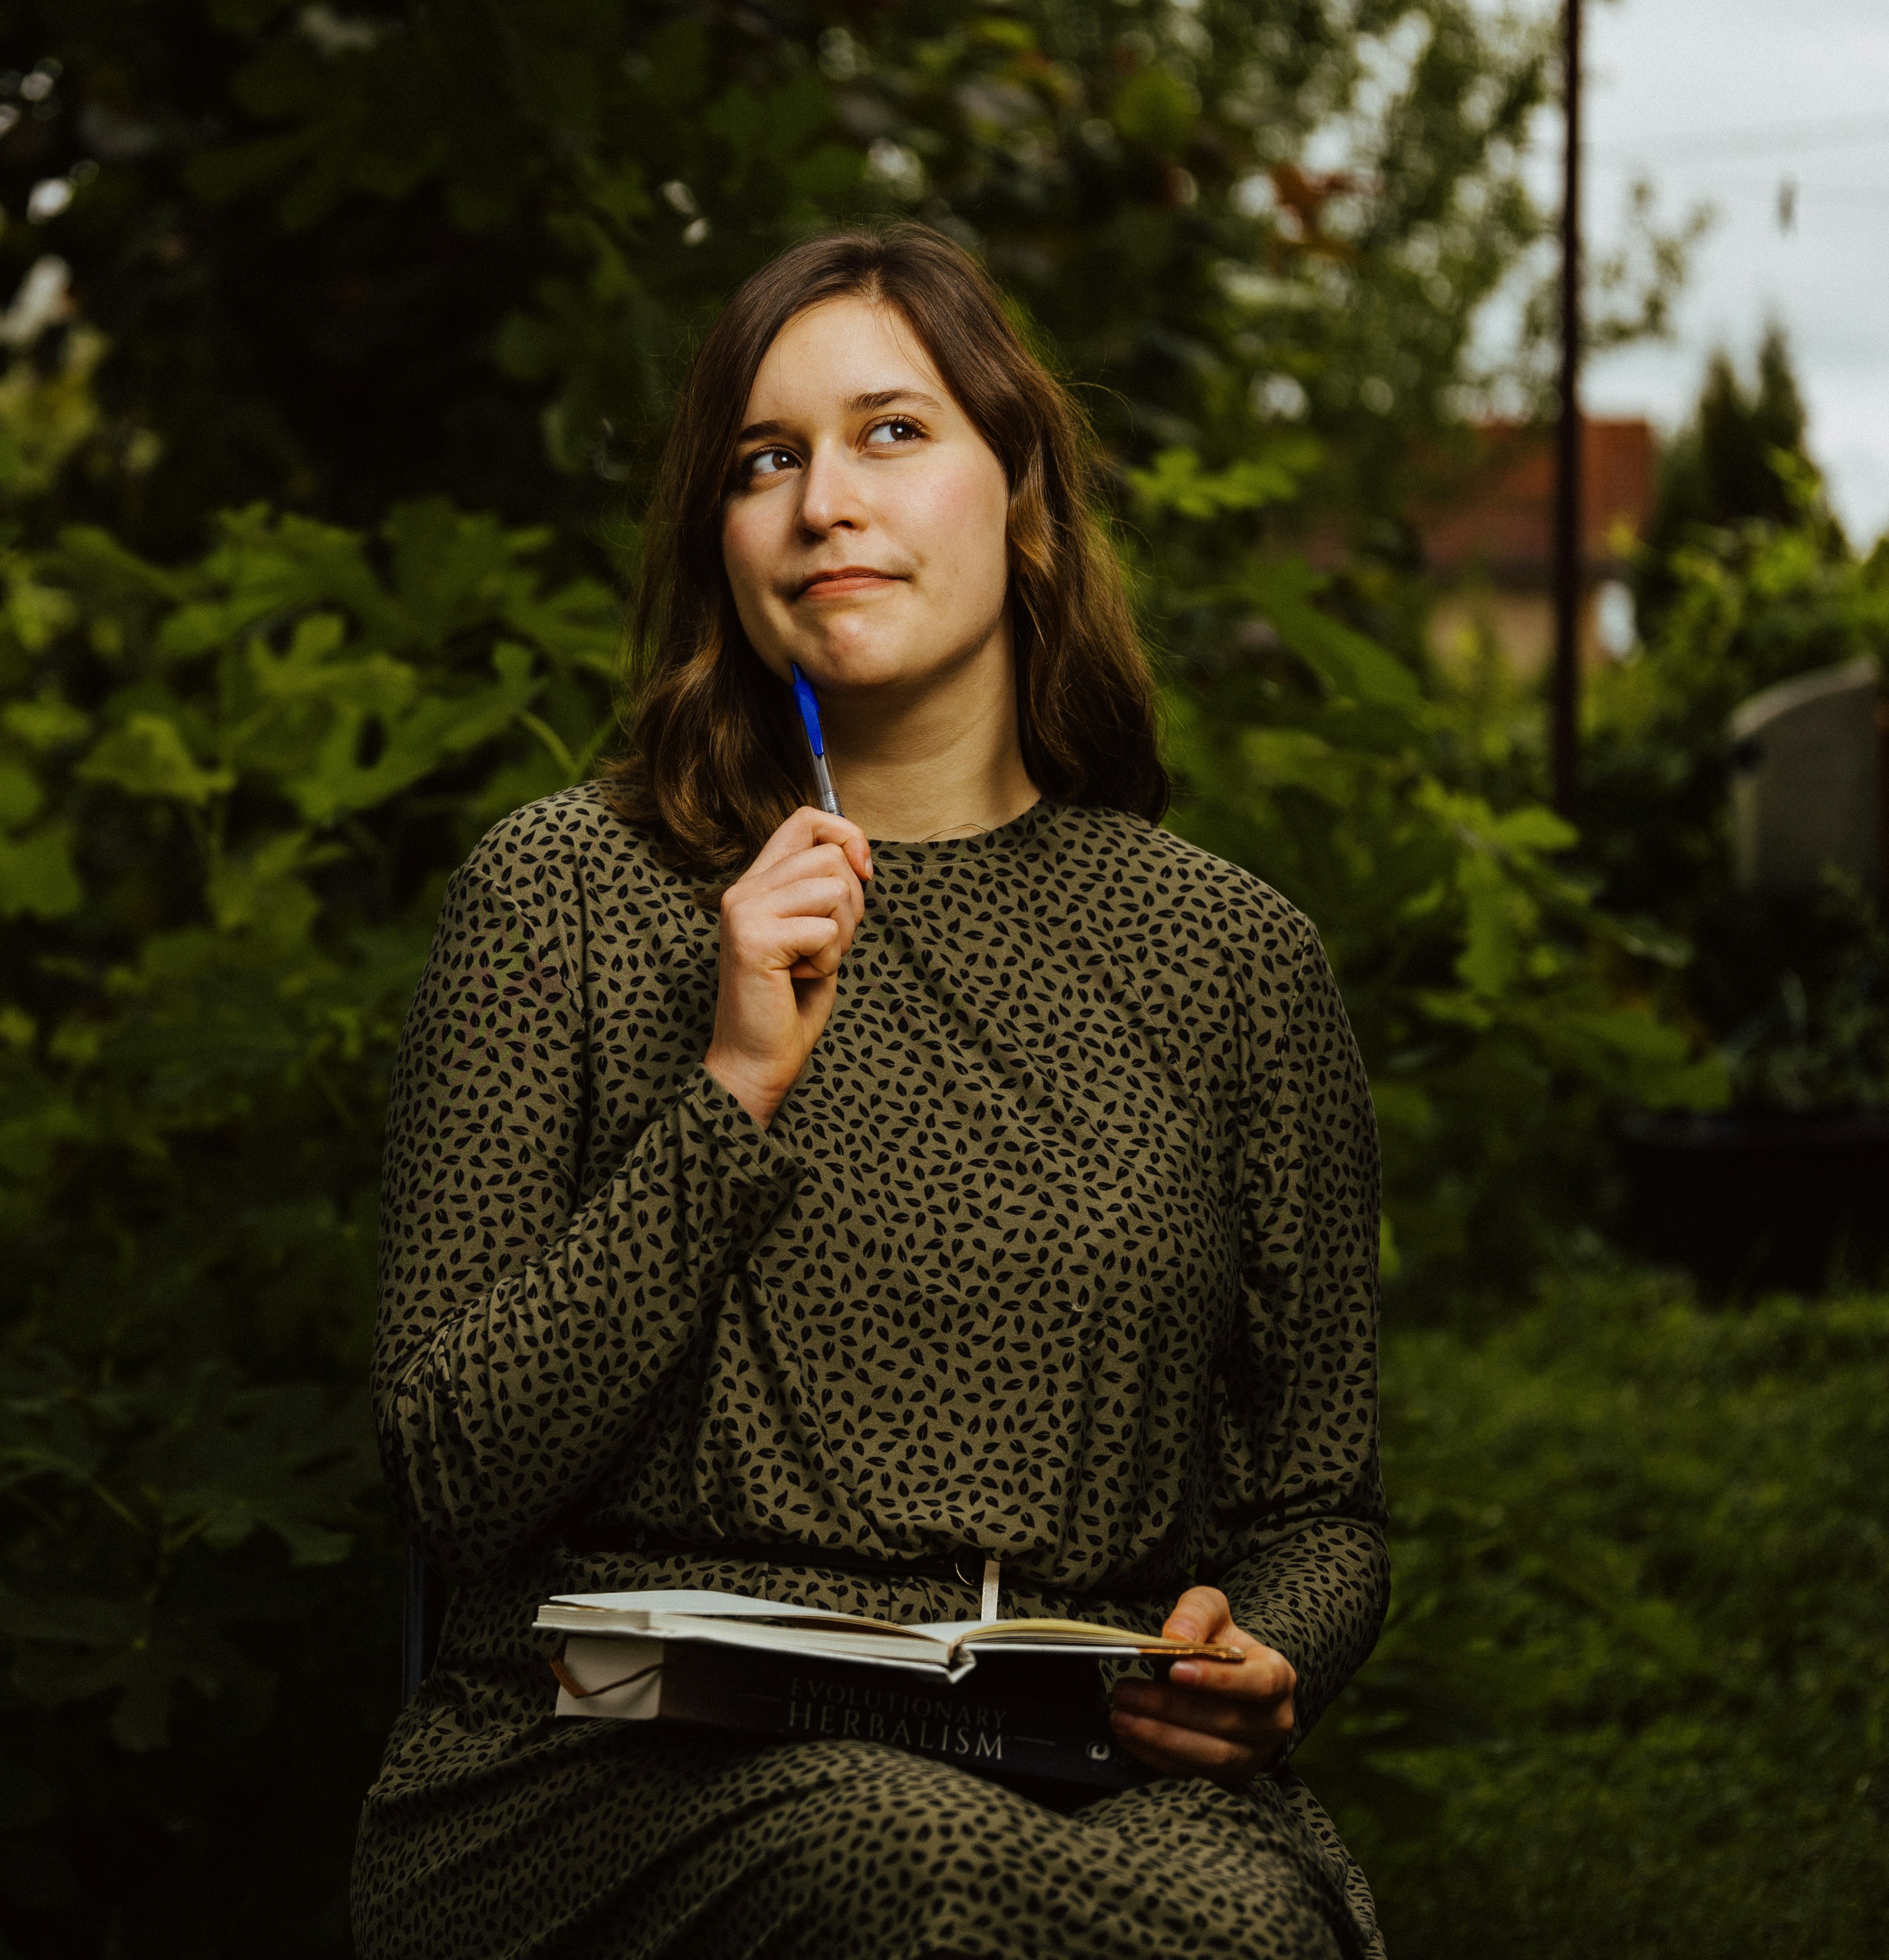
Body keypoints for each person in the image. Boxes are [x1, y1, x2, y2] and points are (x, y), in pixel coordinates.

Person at [349, 222, 1387, 1960]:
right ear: (723, 537)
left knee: (1242, 1930)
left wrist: (1267, 1654)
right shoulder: (567, 893)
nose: (827, 498)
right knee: (917, 1870)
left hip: (1082, 1768)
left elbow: (1322, 1506)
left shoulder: (1231, 958)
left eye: (893, 431)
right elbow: (449, 1469)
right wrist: (735, 1085)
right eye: (768, 460)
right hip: (621, 1766)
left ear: (1023, 497)